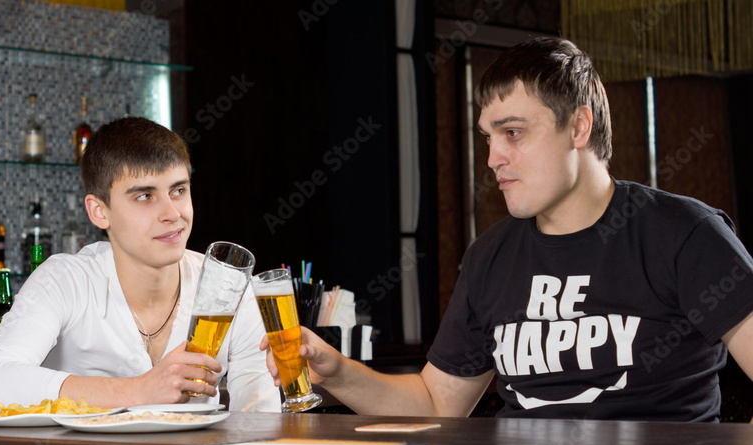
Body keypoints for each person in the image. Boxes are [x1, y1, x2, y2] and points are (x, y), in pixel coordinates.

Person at [270, 37, 753, 422]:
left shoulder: (684, 234)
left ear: (579, 127)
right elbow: (439, 405)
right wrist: (336, 373)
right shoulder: (490, 256)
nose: (493, 158)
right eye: (489, 136)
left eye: (514, 133)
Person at [0, 116, 279, 413]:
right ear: (99, 211)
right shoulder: (65, 280)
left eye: (179, 190)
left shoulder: (230, 290)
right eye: (145, 196)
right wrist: (138, 391)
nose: (173, 213)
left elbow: (261, 421)